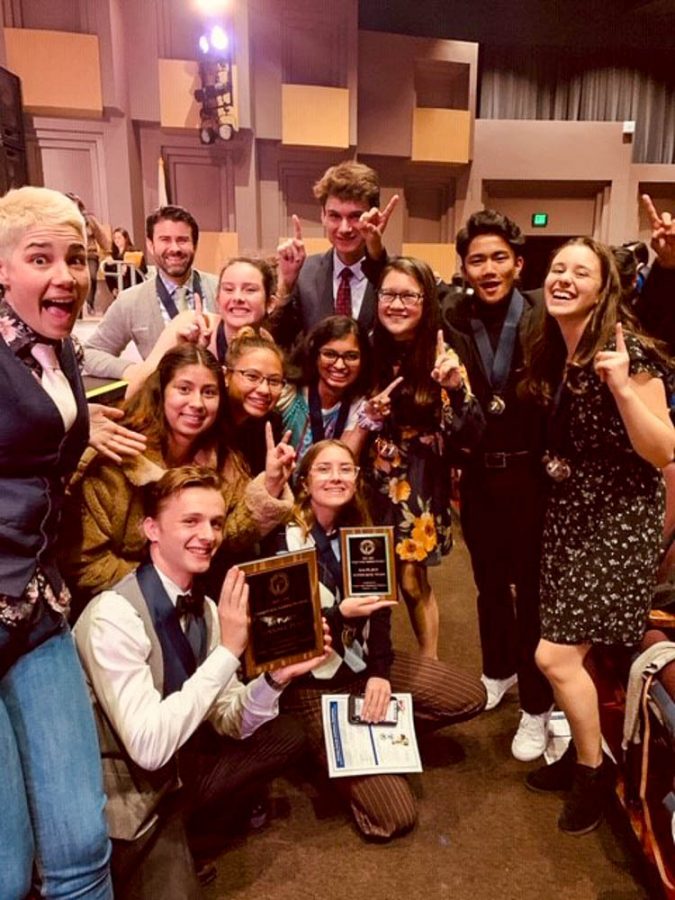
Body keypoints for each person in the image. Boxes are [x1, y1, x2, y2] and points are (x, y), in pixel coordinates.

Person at [74, 465, 331, 898]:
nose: (207, 535)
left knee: (287, 733)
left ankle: (195, 832)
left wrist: (275, 678)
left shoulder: (208, 610)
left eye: (215, 522)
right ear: (151, 529)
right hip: (123, 796)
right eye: (190, 521)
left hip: (178, 775)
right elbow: (149, 747)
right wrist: (229, 652)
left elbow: (230, 718)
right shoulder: (112, 616)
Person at [521, 236, 674, 835]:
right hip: (573, 515)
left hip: (618, 522)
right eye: (557, 268)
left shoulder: (627, 352)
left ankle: (592, 771)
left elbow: (663, 449)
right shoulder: (554, 346)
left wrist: (623, 388)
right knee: (566, 652)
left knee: (554, 657)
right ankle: (581, 757)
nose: (563, 279)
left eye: (579, 272)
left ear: (603, 288)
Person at [271, 440, 485, 839]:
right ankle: (324, 753)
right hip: (313, 684)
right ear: (304, 480)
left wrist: (380, 673)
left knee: (470, 695)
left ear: (357, 477)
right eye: (324, 469)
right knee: (394, 816)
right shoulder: (283, 541)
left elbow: (382, 613)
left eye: (345, 469)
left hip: (364, 666)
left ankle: (370, 739)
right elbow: (281, 626)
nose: (336, 477)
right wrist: (338, 615)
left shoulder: (366, 531)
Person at [0, 186, 112, 898]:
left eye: (76, 258)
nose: (65, 274)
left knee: (80, 845)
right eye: (40, 258)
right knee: (7, 870)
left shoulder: (59, 349)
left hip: (36, 609)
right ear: (2, 270)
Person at [61, 343, 294, 605]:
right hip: (117, 606)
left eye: (209, 392)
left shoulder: (224, 459)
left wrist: (270, 487)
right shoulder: (114, 459)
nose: (197, 403)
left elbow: (229, 536)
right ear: (161, 392)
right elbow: (84, 562)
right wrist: (164, 588)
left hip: (190, 601)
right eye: (184, 389)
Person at [445, 209, 554, 762]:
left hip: (534, 476)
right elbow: (397, 305)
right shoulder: (454, 314)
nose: (487, 268)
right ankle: (498, 671)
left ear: (518, 262)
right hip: (481, 479)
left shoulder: (542, 312)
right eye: (476, 259)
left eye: (497, 258)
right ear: (463, 267)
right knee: (488, 584)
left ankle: (537, 707)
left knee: (532, 595)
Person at [363, 256, 485, 658]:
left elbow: (469, 434)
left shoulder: (442, 351)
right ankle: (366, 659)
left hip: (415, 478)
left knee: (412, 581)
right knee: (364, 573)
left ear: (426, 301)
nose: (396, 305)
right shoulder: (365, 344)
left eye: (408, 296)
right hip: (366, 473)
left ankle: (429, 662)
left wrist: (454, 390)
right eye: (388, 295)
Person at [83, 205, 219, 379]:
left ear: (195, 244)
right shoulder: (131, 301)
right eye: (165, 239)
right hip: (161, 402)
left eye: (183, 240)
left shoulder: (221, 290)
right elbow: (91, 353)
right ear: (150, 244)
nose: (174, 248)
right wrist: (135, 371)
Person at [271, 160, 399, 346]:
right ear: (322, 216)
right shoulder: (303, 272)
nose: (344, 228)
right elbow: (281, 341)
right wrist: (286, 286)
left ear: (374, 215)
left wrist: (377, 254)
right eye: (335, 216)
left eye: (355, 216)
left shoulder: (395, 275)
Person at [278, 314, 372, 464]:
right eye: (329, 354)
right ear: (315, 354)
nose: (340, 365)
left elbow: (343, 465)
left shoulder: (360, 406)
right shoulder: (288, 393)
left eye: (351, 356)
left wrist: (368, 419)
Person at [66, 192, 112, 314]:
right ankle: (77, 307)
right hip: (71, 255)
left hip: (90, 254)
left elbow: (101, 236)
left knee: (90, 277)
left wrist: (108, 252)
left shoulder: (89, 219)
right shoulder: (63, 220)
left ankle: (88, 304)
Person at [103, 226, 147, 298]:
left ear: (125, 238)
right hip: (118, 288)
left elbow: (143, 269)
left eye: (119, 238)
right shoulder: (113, 256)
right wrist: (113, 288)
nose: (117, 240)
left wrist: (128, 268)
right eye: (115, 238)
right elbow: (108, 274)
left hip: (133, 287)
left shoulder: (134, 252)